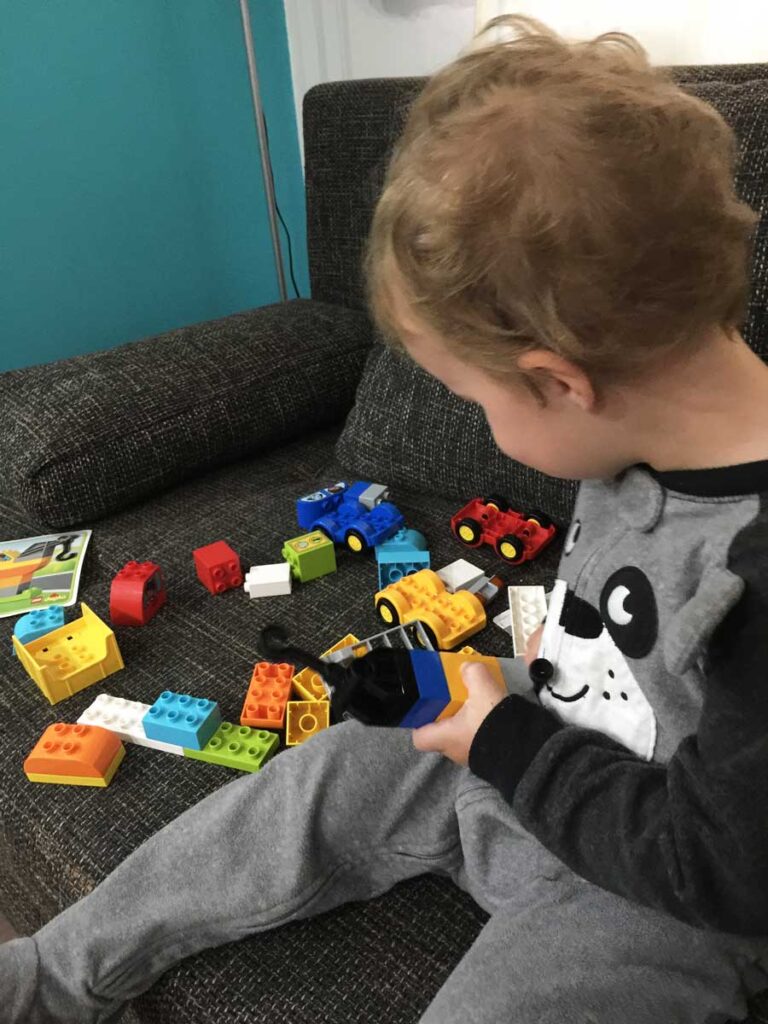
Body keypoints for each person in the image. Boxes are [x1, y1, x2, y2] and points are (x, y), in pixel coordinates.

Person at [4, 15, 768, 1023]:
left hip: (656, 882)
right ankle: (53, 972)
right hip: (535, 738)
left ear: (559, 382)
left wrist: (500, 738)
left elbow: (721, 869)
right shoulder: (641, 430)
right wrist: (470, 697)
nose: (480, 428)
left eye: (476, 400)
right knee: (316, 781)